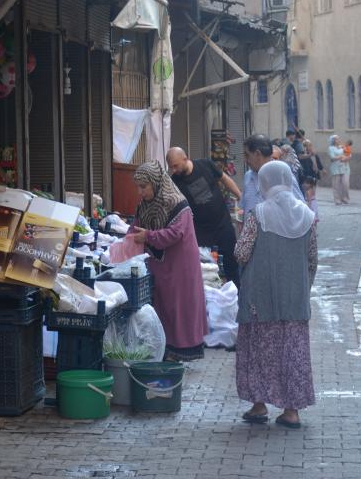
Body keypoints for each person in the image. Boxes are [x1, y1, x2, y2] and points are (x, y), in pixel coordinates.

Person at [234, 160, 318, 429]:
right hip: (294, 300)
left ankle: (259, 406)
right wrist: (303, 287)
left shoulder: (257, 214)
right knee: (292, 353)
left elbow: (241, 253)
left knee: (259, 351)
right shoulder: (307, 216)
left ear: (265, 182)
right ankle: (291, 411)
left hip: (261, 299)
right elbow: (312, 259)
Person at [129, 161, 208, 361]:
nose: (140, 192)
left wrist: (148, 236)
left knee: (178, 306)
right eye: (138, 187)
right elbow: (136, 227)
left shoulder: (176, 202)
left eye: (143, 186)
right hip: (158, 264)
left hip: (179, 264)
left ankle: (180, 350)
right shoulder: (145, 205)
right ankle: (164, 349)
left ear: (155, 183)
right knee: (162, 306)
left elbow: (176, 233)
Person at [167, 147, 242, 288]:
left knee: (231, 265)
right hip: (200, 231)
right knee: (205, 270)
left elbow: (225, 179)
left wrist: (240, 196)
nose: (174, 170)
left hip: (222, 224)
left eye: (175, 166)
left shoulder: (206, 165)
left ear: (185, 158)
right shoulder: (174, 182)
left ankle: (236, 299)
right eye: (171, 167)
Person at [240, 134, 304, 217]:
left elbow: (300, 211)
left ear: (257, 154)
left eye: (247, 155)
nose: (245, 160)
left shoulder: (283, 176)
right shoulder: (248, 176)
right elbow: (243, 207)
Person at [328, 134, 351, 205]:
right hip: (335, 168)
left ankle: (345, 198)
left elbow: (349, 154)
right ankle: (337, 199)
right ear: (333, 141)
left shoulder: (342, 147)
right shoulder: (331, 148)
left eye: (338, 138)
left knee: (345, 184)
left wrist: (347, 157)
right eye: (337, 139)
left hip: (345, 167)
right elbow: (332, 157)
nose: (338, 140)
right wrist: (341, 156)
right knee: (336, 185)